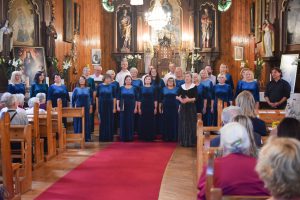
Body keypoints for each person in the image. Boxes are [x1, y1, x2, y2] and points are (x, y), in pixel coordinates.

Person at [198, 123, 269, 199]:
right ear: (247, 142)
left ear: (223, 143)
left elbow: (203, 196)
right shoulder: (263, 167)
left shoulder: (211, 167)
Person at [176, 72, 197, 147]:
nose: (187, 78)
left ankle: (191, 142)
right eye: (185, 77)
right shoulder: (181, 86)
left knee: (191, 123)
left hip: (191, 107)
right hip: (183, 107)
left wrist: (189, 100)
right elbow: (177, 96)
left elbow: (196, 98)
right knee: (183, 123)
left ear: (191, 78)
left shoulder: (194, 86)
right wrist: (180, 100)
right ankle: (183, 141)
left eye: (188, 76)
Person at [117, 75, 138, 141]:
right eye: (127, 79)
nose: (128, 81)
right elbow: (118, 98)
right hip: (122, 104)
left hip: (131, 105)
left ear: (131, 81)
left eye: (129, 79)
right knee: (122, 120)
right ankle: (123, 137)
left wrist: (135, 108)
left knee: (130, 121)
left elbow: (136, 99)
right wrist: (117, 106)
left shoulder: (134, 88)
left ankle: (130, 137)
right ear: (125, 81)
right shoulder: (121, 88)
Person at [72, 76, 93, 142]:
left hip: (87, 107)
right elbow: (73, 99)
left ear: (85, 81)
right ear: (78, 81)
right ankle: (78, 137)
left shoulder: (89, 89)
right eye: (80, 79)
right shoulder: (76, 89)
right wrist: (73, 108)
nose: (81, 81)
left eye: (83, 79)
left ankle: (87, 137)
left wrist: (91, 107)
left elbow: (91, 99)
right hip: (78, 108)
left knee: (86, 122)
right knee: (78, 122)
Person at [97, 74, 116, 142]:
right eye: (107, 78)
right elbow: (97, 97)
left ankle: (109, 137)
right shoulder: (99, 86)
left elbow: (114, 98)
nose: (108, 80)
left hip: (110, 105)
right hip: (102, 105)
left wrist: (114, 108)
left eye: (109, 78)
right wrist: (97, 108)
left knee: (109, 120)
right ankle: (102, 137)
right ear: (104, 79)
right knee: (102, 121)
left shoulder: (113, 86)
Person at [138, 75, 157, 141]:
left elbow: (155, 99)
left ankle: (151, 136)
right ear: (144, 80)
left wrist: (155, 108)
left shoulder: (154, 88)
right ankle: (143, 136)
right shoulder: (141, 88)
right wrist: (139, 108)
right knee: (143, 121)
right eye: (146, 79)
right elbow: (139, 99)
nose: (148, 80)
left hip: (151, 106)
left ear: (151, 80)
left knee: (151, 121)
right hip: (143, 106)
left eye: (149, 79)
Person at [160, 77, 179, 142]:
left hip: (174, 107)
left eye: (172, 81)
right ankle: (166, 137)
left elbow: (179, 99)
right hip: (166, 107)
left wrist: (179, 107)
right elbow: (161, 99)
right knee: (166, 121)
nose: (170, 82)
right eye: (169, 81)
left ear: (174, 82)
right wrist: (160, 108)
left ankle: (173, 137)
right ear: (167, 82)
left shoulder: (177, 89)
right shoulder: (163, 89)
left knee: (174, 121)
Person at [82, 66, 96, 133]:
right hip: (82, 98)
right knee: (83, 113)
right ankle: (83, 128)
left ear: (90, 72)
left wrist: (93, 99)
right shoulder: (81, 79)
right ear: (83, 71)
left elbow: (94, 91)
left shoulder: (91, 79)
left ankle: (90, 129)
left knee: (90, 114)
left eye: (88, 70)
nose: (86, 72)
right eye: (85, 70)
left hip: (90, 98)